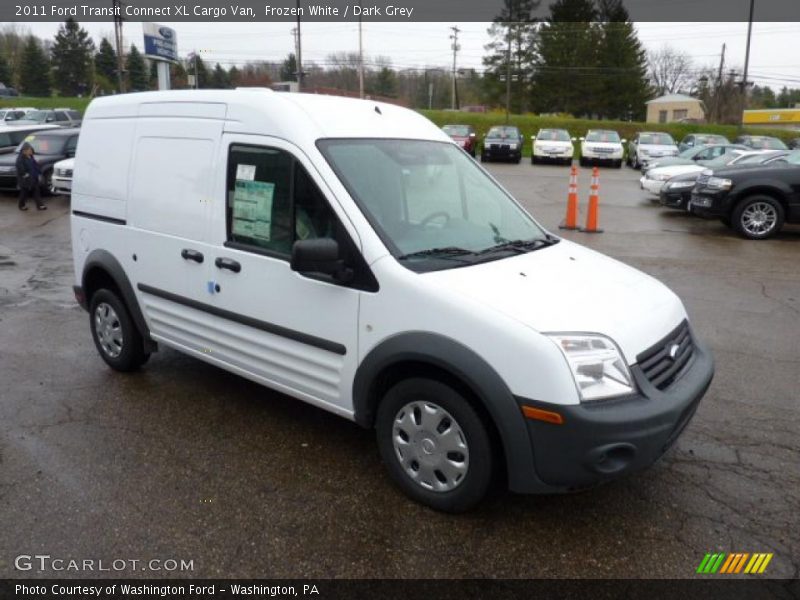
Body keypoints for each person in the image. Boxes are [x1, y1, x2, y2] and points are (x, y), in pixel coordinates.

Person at [16, 142, 46, 211]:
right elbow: (20, 168)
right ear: (24, 151)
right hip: (25, 179)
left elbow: (35, 165)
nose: (31, 151)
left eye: (31, 150)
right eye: (29, 150)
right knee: (24, 193)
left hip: (34, 177)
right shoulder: (20, 159)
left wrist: (39, 172)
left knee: (36, 191)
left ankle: (40, 205)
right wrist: (25, 174)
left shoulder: (31, 156)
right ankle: (21, 205)